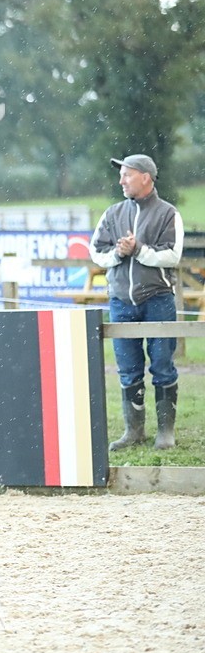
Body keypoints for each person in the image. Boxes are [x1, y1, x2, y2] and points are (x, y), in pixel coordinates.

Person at [90, 153, 184, 450]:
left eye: (127, 175)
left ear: (145, 177)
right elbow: (96, 253)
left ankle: (165, 433)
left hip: (158, 299)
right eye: (121, 175)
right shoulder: (112, 213)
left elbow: (173, 255)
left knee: (163, 366)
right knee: (128, 369)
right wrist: (118, 253)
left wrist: (139, 249)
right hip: (120, 302)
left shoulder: (168, 213)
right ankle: (134, 432)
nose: (121, 181)